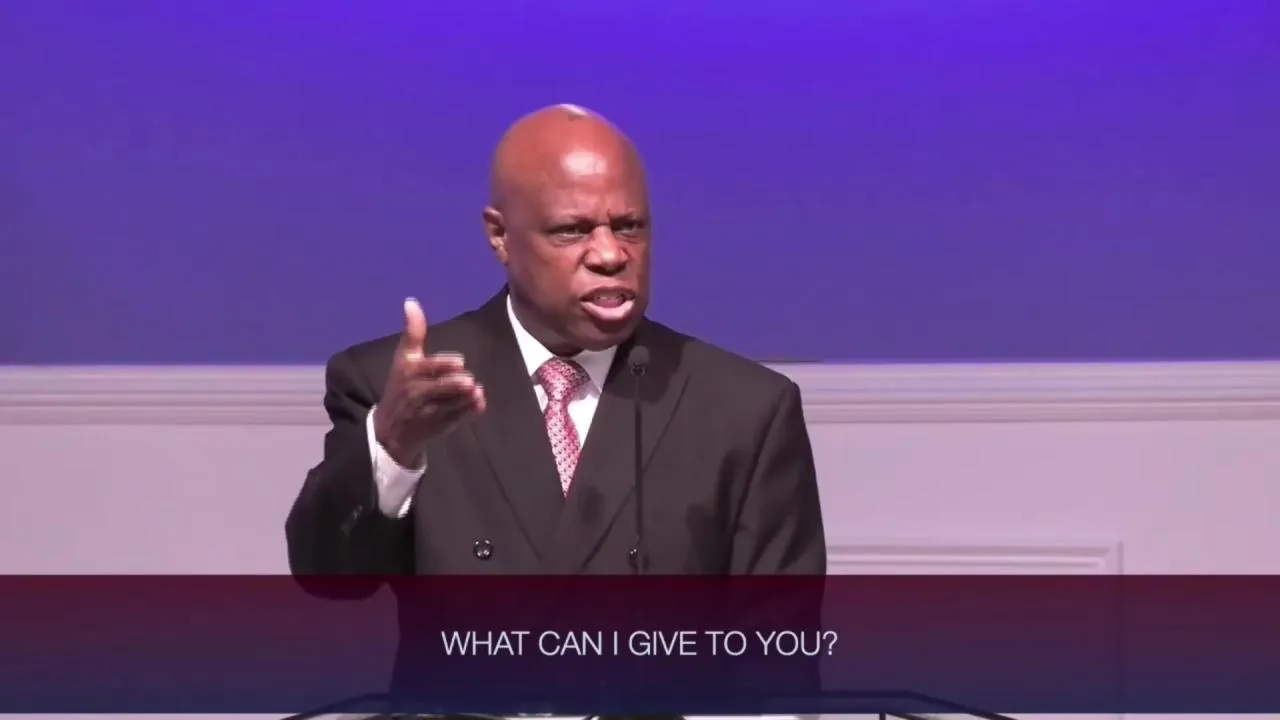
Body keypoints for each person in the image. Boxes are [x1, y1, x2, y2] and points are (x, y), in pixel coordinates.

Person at [284, 104, 826, 706]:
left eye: (630, 226)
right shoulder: (404, 389)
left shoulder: (744, 410)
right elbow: (329, 577)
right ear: (500, 237)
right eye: (572, 231)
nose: (610, 254)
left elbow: (776, 668)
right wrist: (392, 446)